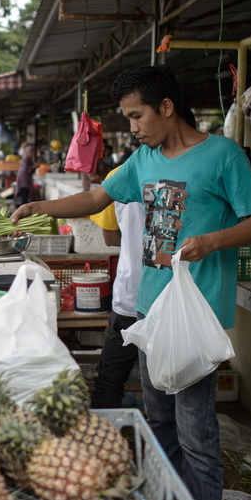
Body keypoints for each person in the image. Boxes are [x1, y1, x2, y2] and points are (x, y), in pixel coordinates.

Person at [12, 65, 251, 500]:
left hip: (195, 315)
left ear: (166, 108)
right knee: (158, 423)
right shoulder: (144, 160)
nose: (132, 128)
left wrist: (211, 241)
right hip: (151, 312)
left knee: (196, 431)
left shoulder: (223, 156)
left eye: (136, 116)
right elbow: (97, 201)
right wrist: (40, 206)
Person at [88, 165, 144, 409]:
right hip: (172, 298)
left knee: (110, 379)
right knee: (171, 382)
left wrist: (134, 240)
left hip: (130, 295)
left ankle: (105, 437)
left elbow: (110, 238)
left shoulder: (119, 175)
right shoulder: (189, 171)